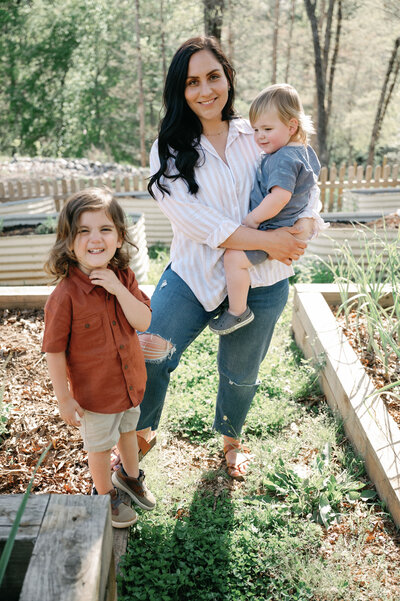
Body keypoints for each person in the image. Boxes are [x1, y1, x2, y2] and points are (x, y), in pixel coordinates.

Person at [135, 36, 323, 481]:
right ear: (179, 90)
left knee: (241, 372)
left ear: (228, 78)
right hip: (195, 272)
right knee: (149, 351)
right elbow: (196, 221)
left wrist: (307, 225)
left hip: (263, 277)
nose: (205, 91)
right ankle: (142, 431)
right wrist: (268, 239)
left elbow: (303, 186)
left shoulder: (257, 132)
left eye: (213, 77)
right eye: (192, 82)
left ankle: (231, 442)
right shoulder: (168, 150)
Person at [42, 187, 156, 528]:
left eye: (105, 229)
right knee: (100, 447)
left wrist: (118, 289)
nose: (96, 239)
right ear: (68, 241)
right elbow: (54, 350)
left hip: (130, 383)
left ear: (120, 238)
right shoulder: (65, 296)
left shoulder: (125, 278)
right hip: (95, 395)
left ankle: (130, 478)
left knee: (129, 431)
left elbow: (144, 321)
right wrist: (64, 398)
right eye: (83, 231)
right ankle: (105, 494)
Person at [209, 83, 325, 335]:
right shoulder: (305, 152)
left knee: (233, 258)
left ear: (292, 126)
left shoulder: (282, 159)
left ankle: (237, 311)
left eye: (267, 129)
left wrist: (251, 220)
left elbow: (279, 198)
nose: (260, 136)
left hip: (273, 229)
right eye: (256, 130)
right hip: (286, 227)